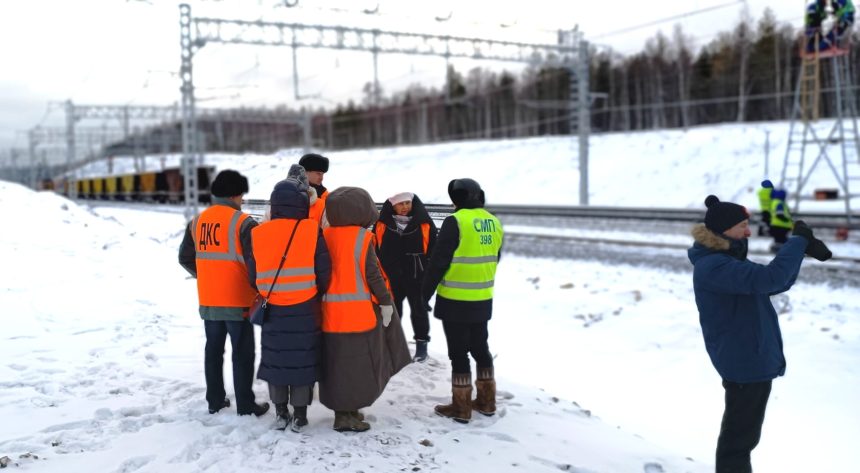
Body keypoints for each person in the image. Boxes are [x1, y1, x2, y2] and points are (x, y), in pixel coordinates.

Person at [688, 195, 831, 473]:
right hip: (743, 362)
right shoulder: (716, 267)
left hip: (748, 357)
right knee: (739, 441)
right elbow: (770, 278)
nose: (748, 231)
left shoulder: (724, 261)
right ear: (723, 230)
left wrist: (799, 250)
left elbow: (775, 283)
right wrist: (798, 241)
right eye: (742, 225)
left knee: (742, 436)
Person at [318, 186, 412, 432]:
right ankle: (347, 416)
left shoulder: (324, 235)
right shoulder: (362, 239)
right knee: (359, 366)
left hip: (328, 315)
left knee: (336, 365)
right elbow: (373, 275)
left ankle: (344, 412)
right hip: (359, 315)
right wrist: (385, 303)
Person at [246, 165, 331, 432]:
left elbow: (252, 274)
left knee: (276, 359)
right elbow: (324, 271)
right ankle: (301, 414)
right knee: (303, 359)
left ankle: (280, 411)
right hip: (305, 306)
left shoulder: (258, 233)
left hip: (273, 309)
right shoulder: (310, 230)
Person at [178, 169, 270, 417]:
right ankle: (245, 405)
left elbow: (185, 257)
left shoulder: (197, 221)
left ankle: (215, 401)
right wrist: (258, 288)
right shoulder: (243, 222)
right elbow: (256, 263)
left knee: (213, 351)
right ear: (236, 194)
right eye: (241, 196)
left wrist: (206, 275)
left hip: (209, 300)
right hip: (238, 300)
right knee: (242, 353)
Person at [422, 178, 503, 424]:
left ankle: (461, 407)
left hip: (455, 299)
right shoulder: (493, 221)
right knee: (481, 348)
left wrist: (423, 295)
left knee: (459, 353)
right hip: (482, 296)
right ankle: (487, 401)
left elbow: (439, 262)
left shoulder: (455, 221)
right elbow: (495, 256)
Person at [374, 192, 438, 362]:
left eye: (407, 203)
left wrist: (428, 271)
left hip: (417, 275)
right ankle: (392, 346)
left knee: (419, 310)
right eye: (400, 203)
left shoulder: (424, 223)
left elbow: (433, 249)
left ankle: (421, 346)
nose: (404, 207)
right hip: (391, 275)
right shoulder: (382, 224)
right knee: (393, 311)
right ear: (392, 205)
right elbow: (375, 250)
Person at [299, 153, 330, 225]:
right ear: (305, 172)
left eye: (323, 174)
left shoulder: (326, 197)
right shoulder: (288, 193)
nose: (321, 178)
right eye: (318, 173)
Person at [768, 188, 793, 253]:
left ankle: (777, 251)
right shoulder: (780, 203)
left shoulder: (774, 202)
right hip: (781, 226)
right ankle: (781, 252)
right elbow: (779, 214)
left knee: (779, 240)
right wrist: (788, 221)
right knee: (782, 240)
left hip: (775, 225)